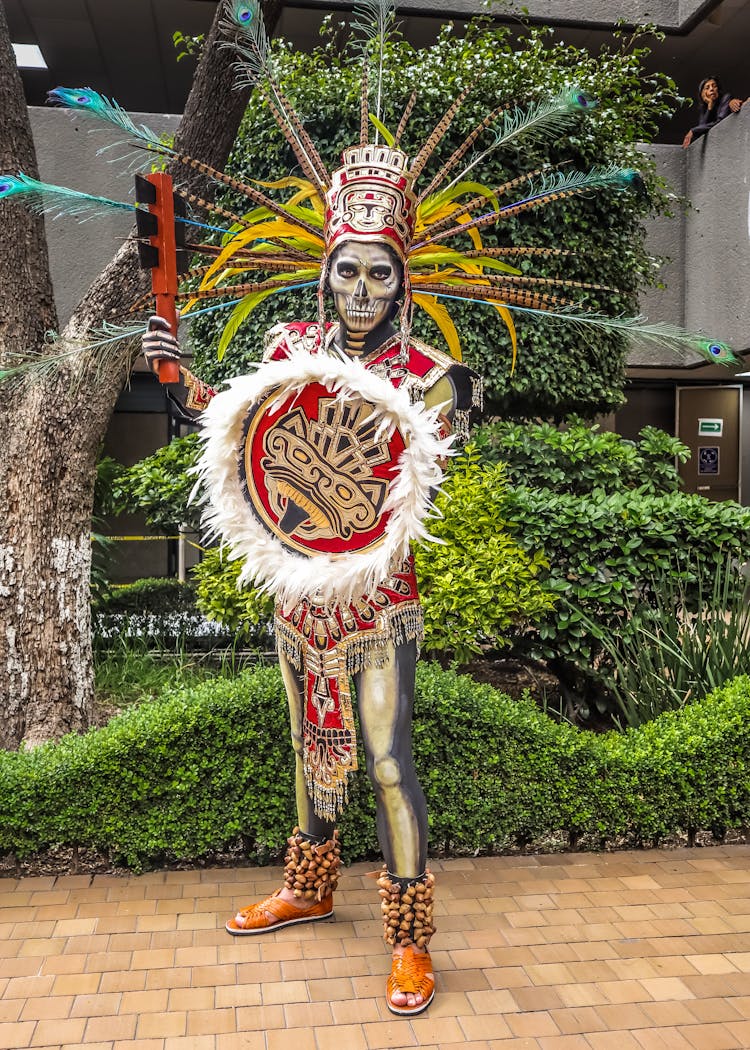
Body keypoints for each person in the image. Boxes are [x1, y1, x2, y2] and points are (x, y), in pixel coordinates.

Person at [142, 159, 481, 1016]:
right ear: (325, 273)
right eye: (347, 269)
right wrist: (179, 378)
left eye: (380, 272)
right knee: (308, 745)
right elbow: (239, 427)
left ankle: (408, 939)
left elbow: (429, 463)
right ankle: (310, 886)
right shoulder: (287, 349)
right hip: (299, 596)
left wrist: (434, 410)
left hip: (376, 604)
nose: (361, 290)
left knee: (388, 762)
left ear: (403, 280)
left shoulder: (433, 372)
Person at [682, 75, 746, 148]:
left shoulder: (726, 98)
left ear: (718, 89)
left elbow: (720, 122)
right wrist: (710, 106)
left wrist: (693, 131)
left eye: (714, 86)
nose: (711, 89)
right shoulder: (705, 109)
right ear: (703, 94)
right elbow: (702, 130)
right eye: (707, 88)